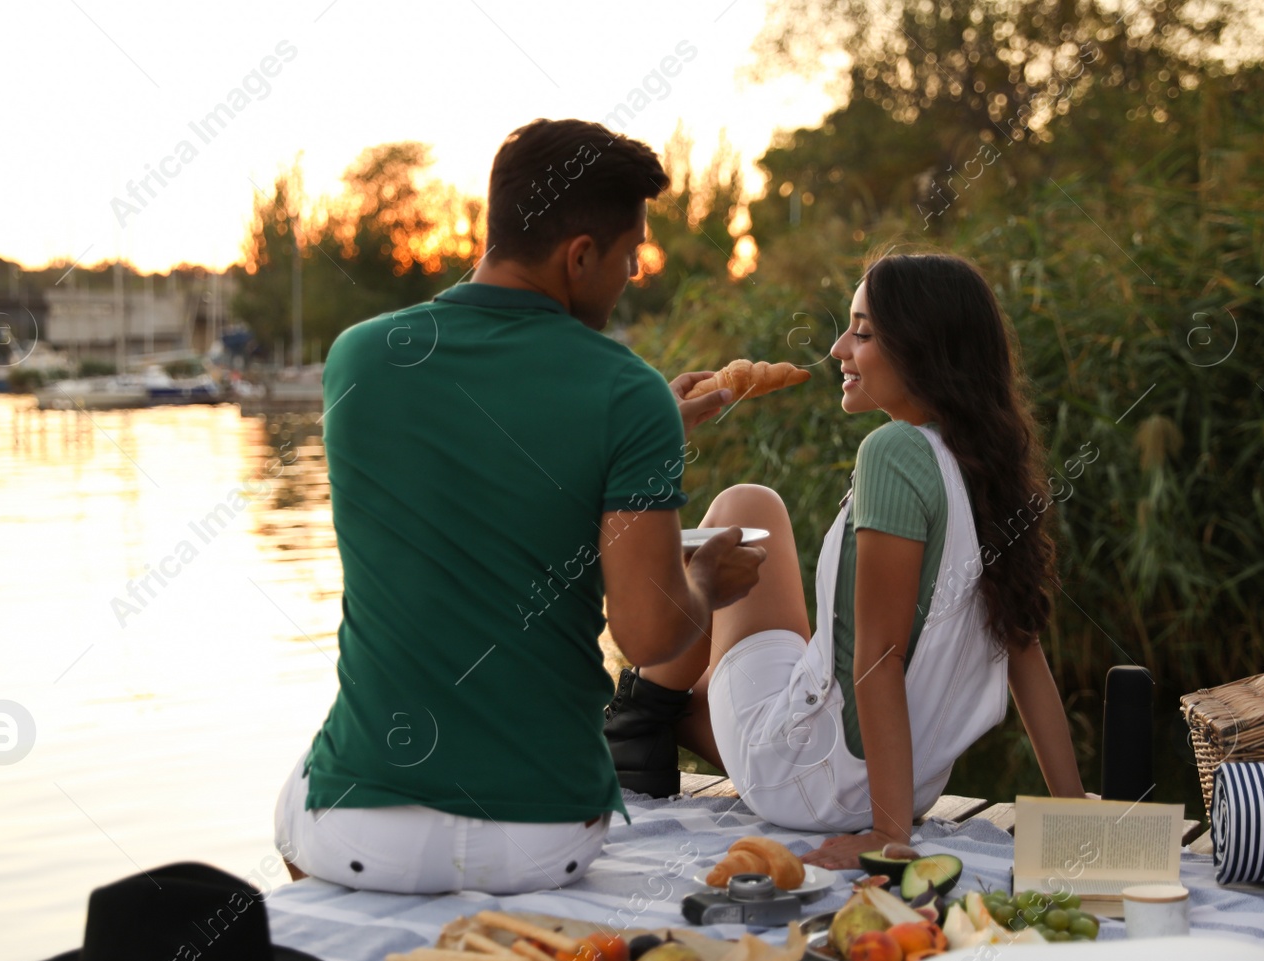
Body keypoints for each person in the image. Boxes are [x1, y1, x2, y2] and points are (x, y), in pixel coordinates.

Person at [274, 118, 765, 895]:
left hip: (364, 836)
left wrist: (652, 431)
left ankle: (345, 923)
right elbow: (647, 635)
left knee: (303, 781)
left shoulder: (358, 358)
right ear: (578, 255)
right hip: (545, 837)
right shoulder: (626, 391)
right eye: (630, 255)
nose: (631, 274)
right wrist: (704, 578)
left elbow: (473, 478)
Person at [604, 252, 1087, 867]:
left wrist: (889, 838)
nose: (837, 349)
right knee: (757, 544)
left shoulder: (892, 453)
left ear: (923, 349)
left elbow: (879, 659)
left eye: (862, 332)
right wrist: (1075, 810)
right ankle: (648, 724)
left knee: (742, 507)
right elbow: (1026, 655)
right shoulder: (986, 467)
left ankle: (632, 727)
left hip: (813, 782)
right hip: (901, 784)